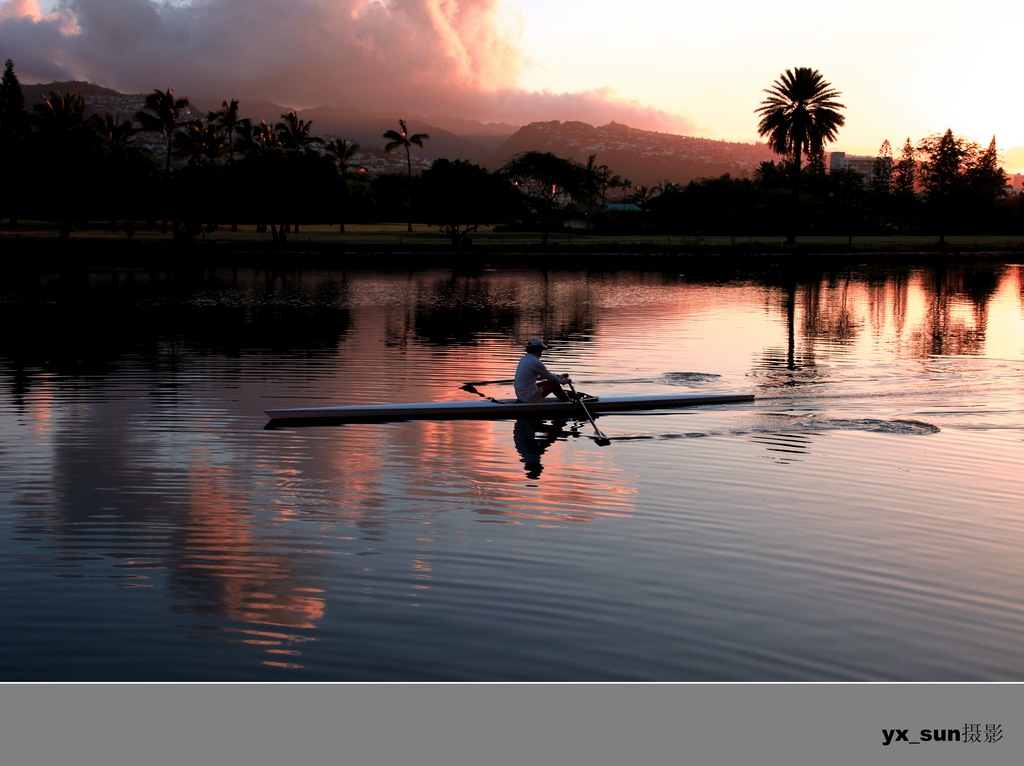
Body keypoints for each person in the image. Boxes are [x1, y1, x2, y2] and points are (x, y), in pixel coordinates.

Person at [514, 338, 571, 402]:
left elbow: (546, 375)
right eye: (541, 349)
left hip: (520, 394)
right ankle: (568, 403)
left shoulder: (524, 358)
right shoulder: (535, 362)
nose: (542, 351)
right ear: (537, 349)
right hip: (528, 396)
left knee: (551, 382)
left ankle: (566, 400)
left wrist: (559, 378)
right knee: (554, 385)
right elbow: (548, 375)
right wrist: (562, 382)